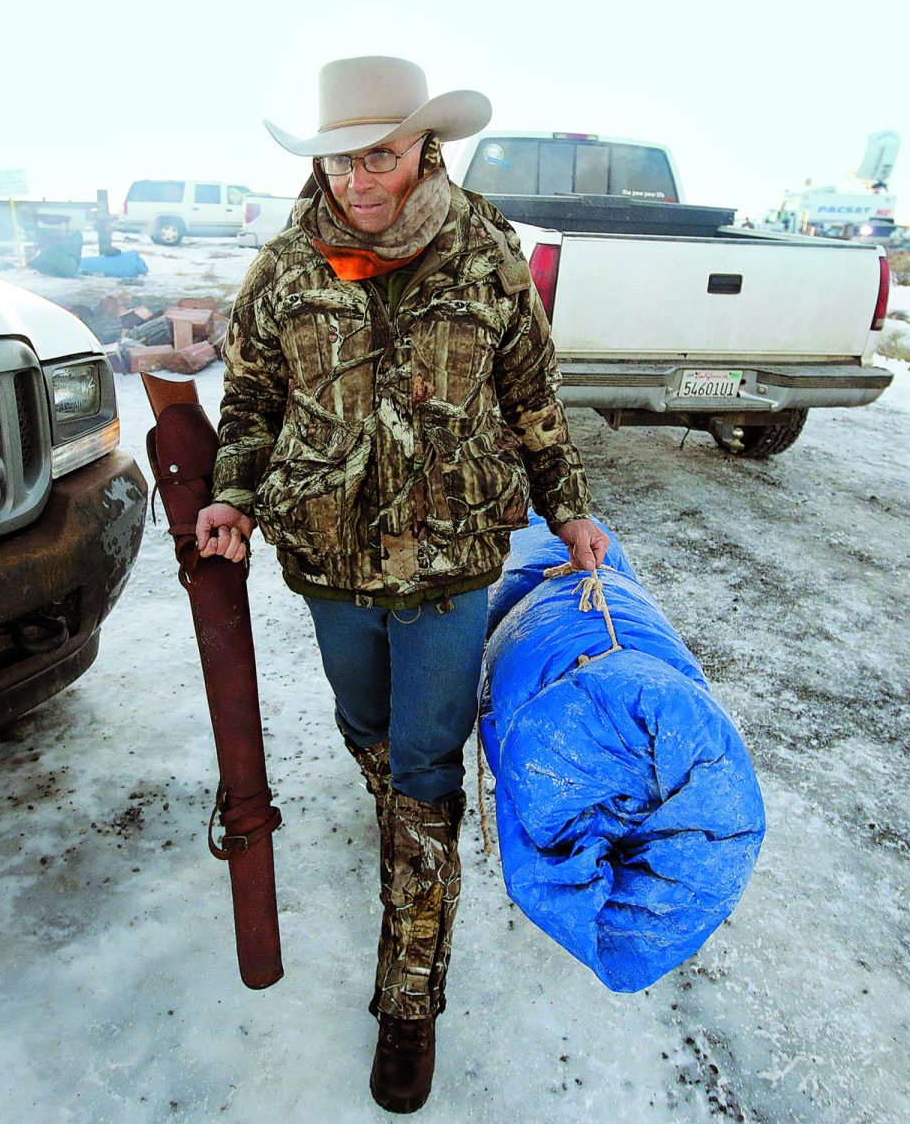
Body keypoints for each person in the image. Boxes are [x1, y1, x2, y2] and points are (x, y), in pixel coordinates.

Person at [193, 56, 606, 1114]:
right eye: (341, 155)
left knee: (423, 765)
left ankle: (409, 997)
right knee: (365, 726)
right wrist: (234, 493)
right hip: (329, 563)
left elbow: (533, 396)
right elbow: (249, 399)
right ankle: (410, 831)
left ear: (428, 146)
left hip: (449, 566)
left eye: (381, 151)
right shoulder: (286, 265)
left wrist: (567, 506)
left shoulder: (485, 250)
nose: (357, 177)